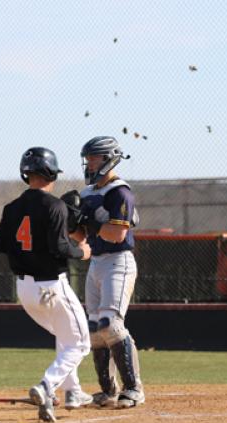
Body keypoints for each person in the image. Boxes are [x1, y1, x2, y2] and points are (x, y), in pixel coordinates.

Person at [0, 147, 93, 423]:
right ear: (51, 173)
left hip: (24, 290)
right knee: (80, 344)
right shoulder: (55, 206)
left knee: (65, 337)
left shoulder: (11, 208)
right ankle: (47, 386)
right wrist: (82, 251)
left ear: (26, 174)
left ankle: (73, 392)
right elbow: (61, 248)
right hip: (52, 285)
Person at [70, 136, 144, 408]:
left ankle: (134, 388)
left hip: (118, 261)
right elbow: (80, 236)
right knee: (94, 329)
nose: (90, 163)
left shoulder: (119, 192)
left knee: (111, 324)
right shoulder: (88, 193)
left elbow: (116, 233)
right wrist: (70, 221)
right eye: (88, 158)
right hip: (97, 261)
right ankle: (108, 390)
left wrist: (89, 220)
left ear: (109, 158)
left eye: (95, 158)